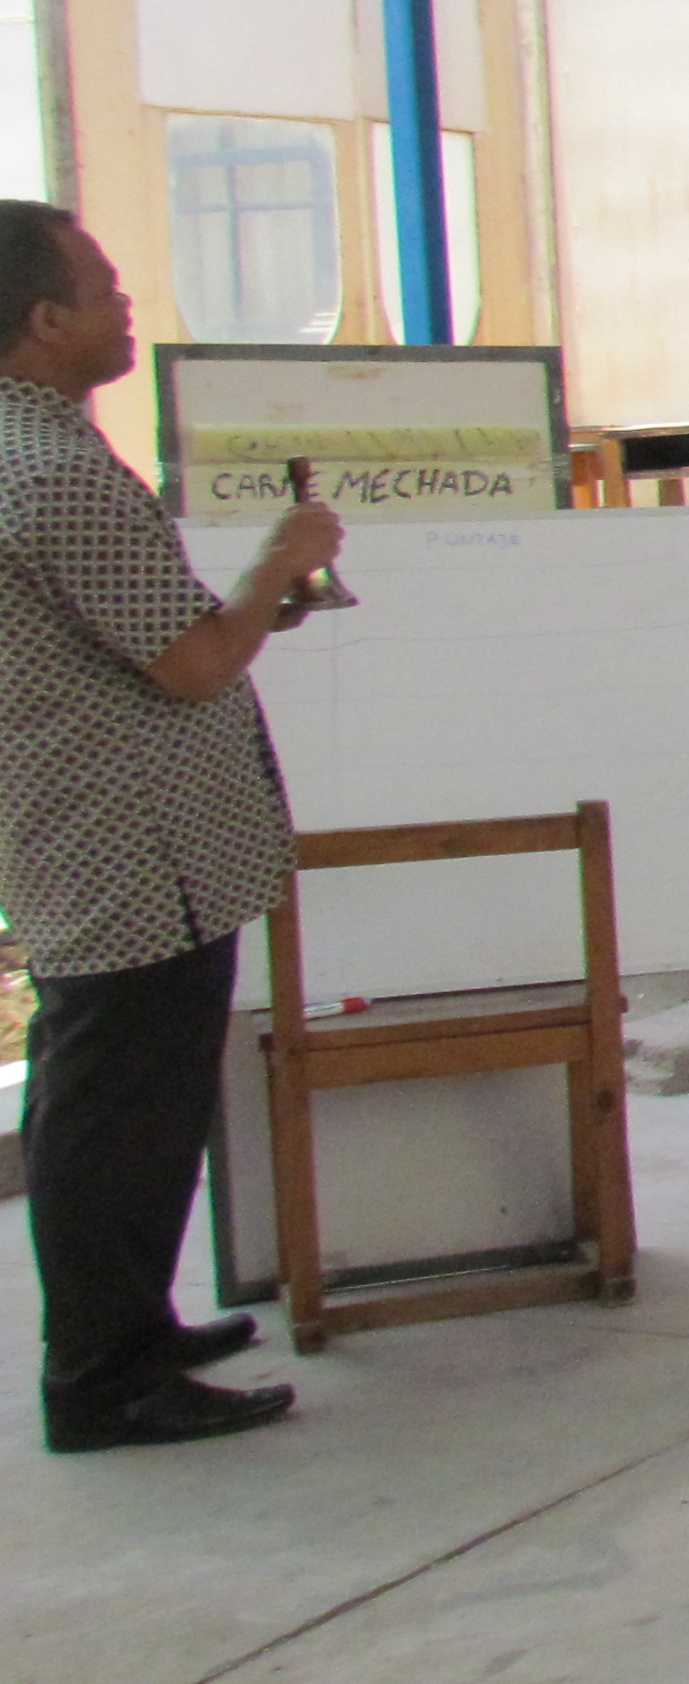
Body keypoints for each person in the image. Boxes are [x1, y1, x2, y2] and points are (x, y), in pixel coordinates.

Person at [2, 201, 340, 1451]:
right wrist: (279, 561)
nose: (126, 301)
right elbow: (191, 663)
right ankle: (103, 1377)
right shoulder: (52, 474)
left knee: (119, 1101)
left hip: (104, 839)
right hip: (131, 853)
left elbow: (147, 636)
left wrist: (254, 609)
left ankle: (130, 1328)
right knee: (117, 1117)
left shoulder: (33, 448)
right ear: (46, 320)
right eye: (102, 284)